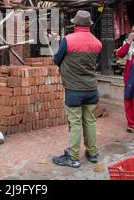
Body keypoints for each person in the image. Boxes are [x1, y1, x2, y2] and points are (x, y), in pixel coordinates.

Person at [52, 10, 103, 168]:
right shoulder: (97, 43)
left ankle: (73, 157)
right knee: (90, 121)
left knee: (75, 123)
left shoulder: (68, 40)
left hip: (73, 90)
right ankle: (93, 153)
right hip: (91, 89)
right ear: (89, 25)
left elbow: (57, 59)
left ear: (75, 24)